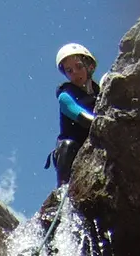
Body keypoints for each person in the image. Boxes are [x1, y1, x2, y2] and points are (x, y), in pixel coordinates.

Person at [47, 43, 100, 187]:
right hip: (71, 151)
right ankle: (63, 189)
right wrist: (102, 123)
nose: (75, 73)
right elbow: (79, 115)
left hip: (93, 145)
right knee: (67, 145)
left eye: (79, 66)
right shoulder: (65, 95)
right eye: (69, 70)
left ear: (89, 66)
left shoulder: (101, 94)